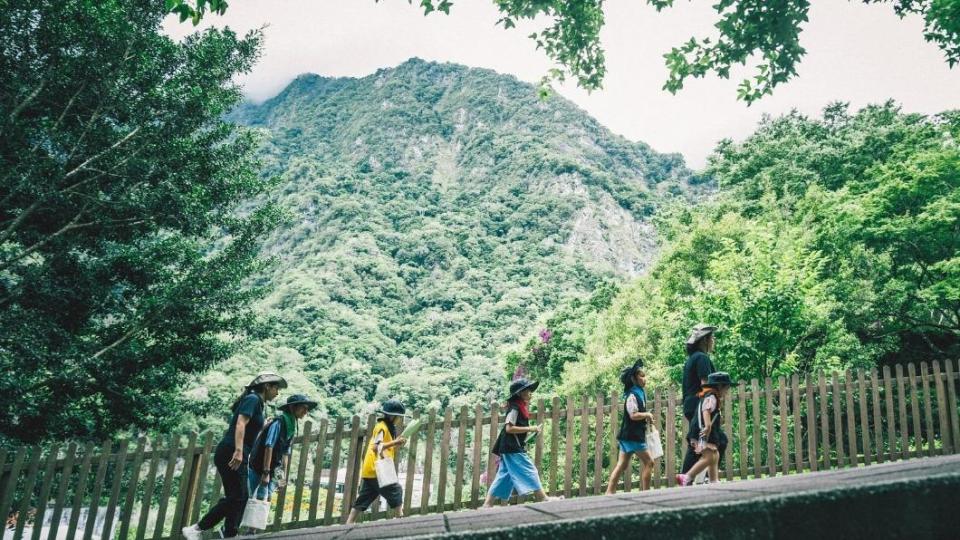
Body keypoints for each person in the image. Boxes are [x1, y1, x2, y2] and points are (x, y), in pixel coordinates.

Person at [183, 372, 287, 539]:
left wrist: (262, 426)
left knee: (238, 497)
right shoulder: (253, 399)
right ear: (267, 386)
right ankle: (197, 529)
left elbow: (249, 429)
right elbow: (240, 423)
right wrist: (238, 451)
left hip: (235, 451)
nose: (277, 392)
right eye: (276, 388)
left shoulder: (258, 403)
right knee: (239, 496)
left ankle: (228, 533)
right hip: (232, 451)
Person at [482, 378, 553, 507]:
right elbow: (509, 428)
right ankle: (543, 498)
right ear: (520, 393)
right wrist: (531, 428)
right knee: (530, 470)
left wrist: (531, 432)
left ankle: (487, 505)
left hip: (509, 446)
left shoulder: (520, 407)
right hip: (511, 447)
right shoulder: (514, 408)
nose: (530, 393)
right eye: (528, 390)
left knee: (503, 476)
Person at [346, 399, 410, 524]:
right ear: (392, 416)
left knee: (364, 497)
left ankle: (348, 523)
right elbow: (376, 447)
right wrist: (396, 442)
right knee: (396, 490)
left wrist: (397, 444)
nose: (399, 419)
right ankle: (400, 519)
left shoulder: (387, 427)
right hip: (377, 468)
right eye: (398, 417)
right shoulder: (381, 427)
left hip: (371, 468)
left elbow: (386, 447)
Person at [247, 394, 318, 502]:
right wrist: (265, 473)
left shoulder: (291, 426)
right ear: (292, 407)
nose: (305, 411)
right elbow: (269, 446)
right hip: (258, 466)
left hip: (272, 468)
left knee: (265, 499)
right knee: (251, 499)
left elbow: (285, 452)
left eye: (307, 409)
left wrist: (283, 475)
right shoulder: (278, 422)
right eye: (303, 407)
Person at [606, 359, 657, 494]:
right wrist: (647, 415)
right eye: (641, 376)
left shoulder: (639, 392)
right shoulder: (632, 395)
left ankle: (609, 492)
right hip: (633, 436)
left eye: (644, 375)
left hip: (629, 436)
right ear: (634, 379)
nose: (644, 379)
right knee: (649, 462)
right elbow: (633, 415)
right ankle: (646, 493)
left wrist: (647, 417)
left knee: (622, 465)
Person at [676, 372, 735, 486]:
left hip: (705, 431)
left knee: (715, 454)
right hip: (702, 431)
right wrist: (708, 426)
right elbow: (706, 410)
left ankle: (713, 480)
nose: (727, 392)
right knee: (708, 457)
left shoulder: (710, 396)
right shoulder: (711, 396)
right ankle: (686, 477)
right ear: (719, 387)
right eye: (726, 389)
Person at [680, 324, 718, 476]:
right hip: (698, 404)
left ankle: (707, 477)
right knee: (698, 440)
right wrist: (708, 408)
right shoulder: (702, 358)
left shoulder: (692, 358)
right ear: (704, 340)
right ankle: (685, 477)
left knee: (708, 441)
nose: (713, 340)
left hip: (692, 404)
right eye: (712, 338)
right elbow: (705, 385)